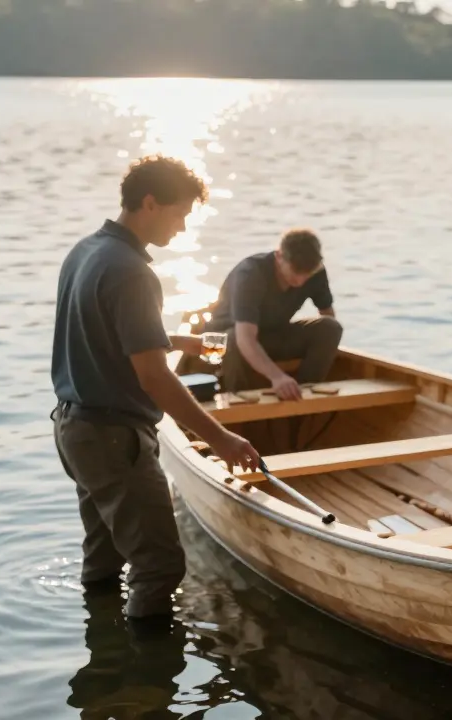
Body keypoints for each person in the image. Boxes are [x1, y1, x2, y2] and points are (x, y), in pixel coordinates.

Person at [51, 154, 261, 631]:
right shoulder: (132, 271)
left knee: (104, 555)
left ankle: (103, 665)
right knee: (159, 565)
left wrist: (179, 342)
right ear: (150, 203)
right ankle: (149, 691)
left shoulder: (86, 251)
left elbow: (101, 333)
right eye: (180, 213)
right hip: (112, 438)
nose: (182, 228)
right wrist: (221, 438)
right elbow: (154, 377)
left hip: (73, 427)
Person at [201, 229, 343, 401]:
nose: (300, 280)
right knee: (233, 340)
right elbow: (244, 338)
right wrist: (277, 377)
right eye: (296, 270)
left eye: (308, 273)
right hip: (214, 344)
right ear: (279, 256)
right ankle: (242, 408)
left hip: (269, 335)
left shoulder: (316, 272)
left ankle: (303, 396)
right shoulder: (250, 273)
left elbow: (328, 314)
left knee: (331, 328)